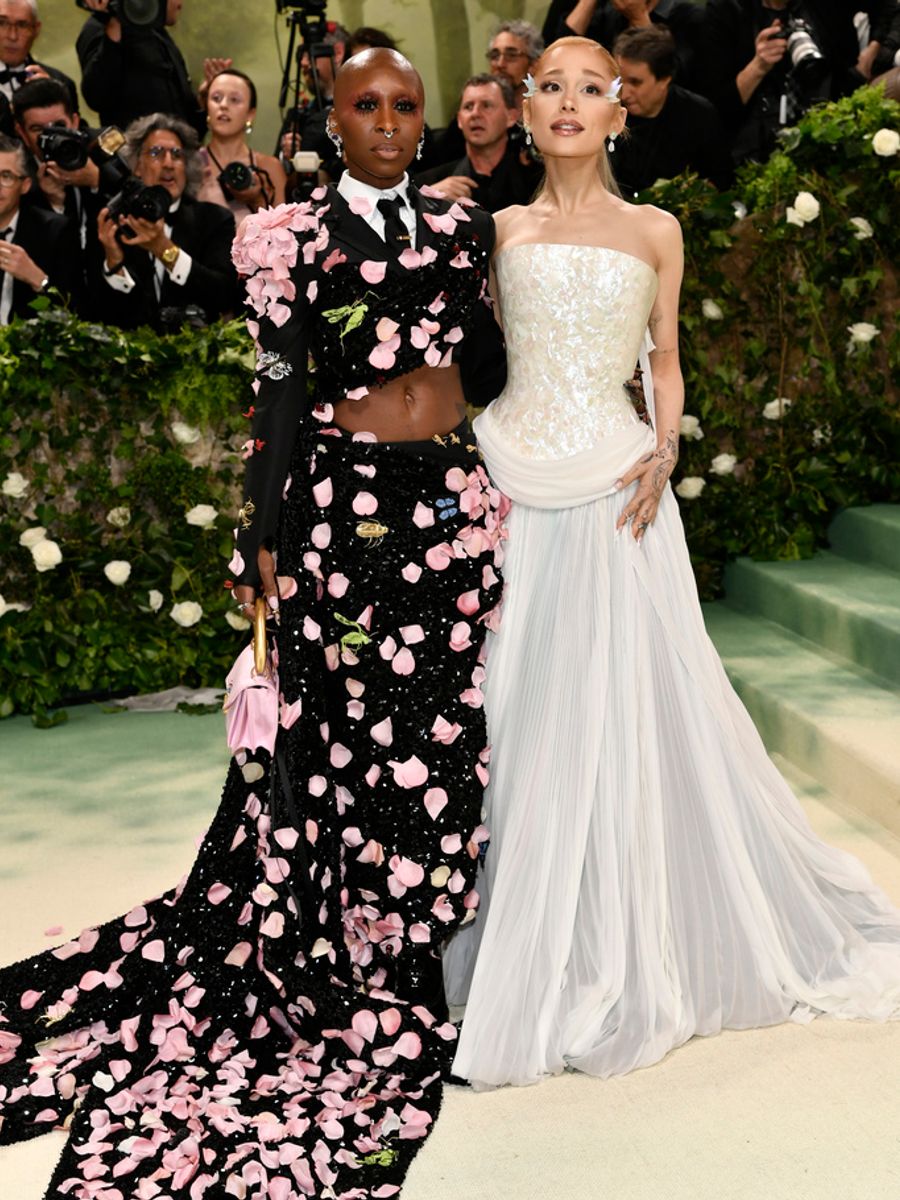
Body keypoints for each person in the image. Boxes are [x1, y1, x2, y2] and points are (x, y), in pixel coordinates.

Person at [0, 47, 508, 1197]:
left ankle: (417, 920)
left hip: (447, 504)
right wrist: (258, 538)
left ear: (423, 119)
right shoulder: (291, 234)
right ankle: (350, 937)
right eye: (363, 106)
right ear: (329, 120)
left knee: (441, 727)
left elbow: (489, 361)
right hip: (341, 507)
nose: (386, 122)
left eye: (403, 105)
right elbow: (278, 386)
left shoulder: (462, 231)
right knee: (341, 726)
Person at [443, 34, 900, 1089]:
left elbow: (666, 362)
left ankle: (621, 932)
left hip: (617, 489)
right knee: (513, 716)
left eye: (588, 88)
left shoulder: (657, 229)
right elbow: (465, 360)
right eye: (547, 86)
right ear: (524, 107)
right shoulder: (494, 226)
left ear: (621, 111)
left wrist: (666, 441)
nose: (566, 103)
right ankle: (517, 940)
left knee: (620, 714)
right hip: (510, 480)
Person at [700, 0, 900, 166]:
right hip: (758, 141)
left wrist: (872, 53)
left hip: (836, 113)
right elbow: (717, 109)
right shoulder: (724, 10)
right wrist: (757, 67)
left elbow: (889, 7)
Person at [94, 112, 239, 330]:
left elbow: (224, 296)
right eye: (156, 153)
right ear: (136, 166)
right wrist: (114, 264)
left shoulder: (216, 220)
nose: (169, 163)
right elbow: (103, 313)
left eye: (177, 155)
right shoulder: (113, 221)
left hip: (199, 355)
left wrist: (164, 250)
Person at [611, 26, 732, 195]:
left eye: (635, 82)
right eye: (618, 79)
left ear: (664, 80)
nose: (623, 92)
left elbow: (720, 180)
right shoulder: (605, 112)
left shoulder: (700, 117)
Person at [76, 0, 205, 138]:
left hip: (176, 150)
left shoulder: (156, 32)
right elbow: (97, 97)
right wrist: (113, 29)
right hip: (135, 153)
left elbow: (184, 116)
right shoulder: (99, 28)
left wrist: (204, 99)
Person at [417, 73, 543, 210]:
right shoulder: (429, 183)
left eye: (486, 106)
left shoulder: (537, 181)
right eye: (468, 107)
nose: (475, 114)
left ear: (511, 117)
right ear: (459, 120)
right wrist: (426, 200)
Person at [0, 132, 81, 320]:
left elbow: (74, 312)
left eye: (6, 176)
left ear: (25, 185)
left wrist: (38, 279)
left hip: (30, 345)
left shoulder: (54, 231)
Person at [543, 0, 704, 90]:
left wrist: (639, 18)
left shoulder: (689, 17)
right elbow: (560, 61)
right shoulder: (610, 13)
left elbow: (676, 80)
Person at [198, 68, 287, 220]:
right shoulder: (191, 163)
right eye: (216, 98)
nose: (223, 105)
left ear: (250, 114)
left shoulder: (269, 167)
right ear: (207, 108)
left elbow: (283, 235)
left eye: (234, 100)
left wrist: (257, 200)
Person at [0, 0, 78, 136]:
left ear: (36, 30)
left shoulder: (60, 82)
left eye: (22, 25)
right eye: (1, 23)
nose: (12, 35)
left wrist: (54, 96)